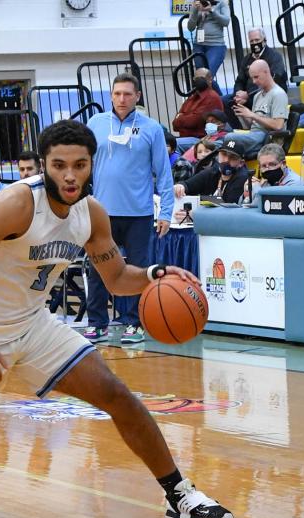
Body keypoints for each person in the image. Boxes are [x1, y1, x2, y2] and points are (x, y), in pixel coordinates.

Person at [0, 120, 233, 518]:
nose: (69, 174)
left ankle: (180, 493)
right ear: (43, 164)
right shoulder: (17, 203)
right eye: (59, 164)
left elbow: (116, 278)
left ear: (91, 165)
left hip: (33, 325)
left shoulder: (91, 214)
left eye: (79, 165)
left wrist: (156, 274)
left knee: (117, 394)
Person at [84, 73, 174, 344]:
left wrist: (166, 212)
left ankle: (135, 323)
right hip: (102, 213)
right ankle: (97, 322)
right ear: (110, 96)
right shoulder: (95, 124)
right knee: (97, 269)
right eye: (116, 93)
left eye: (127, 94)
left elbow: (163, 172)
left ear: (137, 96)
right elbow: (83, 164)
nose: (121, 99)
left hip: (139, 213)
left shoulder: (152, 128)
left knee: (139, 270)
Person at [223, 29, 288, 129]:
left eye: (257, 40)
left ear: (264, 40)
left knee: (230, 141)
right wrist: (239, 94)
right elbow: (240, 80)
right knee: (225, 101)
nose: (254, 43)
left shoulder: (274, 56)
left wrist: (247, 95)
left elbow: (275, 79)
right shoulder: (247, 59)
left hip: (262, 94)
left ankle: (239, 136)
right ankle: (238, 130)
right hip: (247, 96)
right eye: (251, 41)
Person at [228, 59, 289, 158]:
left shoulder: (278, 94)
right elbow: (251, 126)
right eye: (252, 78)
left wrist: (252, 115)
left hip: (266, 138)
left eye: (256, 77)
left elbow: (278, 125)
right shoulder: (257, 96)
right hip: (253, 136)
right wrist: (243, 115)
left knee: (229, 139)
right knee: (225, 136)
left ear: (266, 72)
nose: (254, 81)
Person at [174, 137, 250, 203]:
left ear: (241, 163)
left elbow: (227, 204)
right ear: (218, 155)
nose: (226, 160)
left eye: (232, 157)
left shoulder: (243, 177)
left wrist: (199, 203)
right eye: (224, 154)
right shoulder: (213, 171)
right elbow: (188, 185)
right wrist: (180, 186)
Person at [173, 68, 224, 152]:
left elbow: (193, 122)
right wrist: (185, 118)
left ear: (210, 80)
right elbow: (175, 125)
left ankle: (180, 165)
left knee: (174, 144)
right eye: (196, 79)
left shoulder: (211, 97)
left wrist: (181, 117)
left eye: (201, 78)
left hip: (202, 139)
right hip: (186, 138)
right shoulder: (191, 98)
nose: (198, 81)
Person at [186, 0, 230, 92]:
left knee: (206, 76)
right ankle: (217, 101)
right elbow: (190, 27)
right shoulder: (197, 3)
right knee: (200, 79)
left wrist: (211, 10)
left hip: (216, 46)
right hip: (199, 45)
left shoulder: (220, 3)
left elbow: (226, 21)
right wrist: (194, 10)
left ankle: (221, 101)